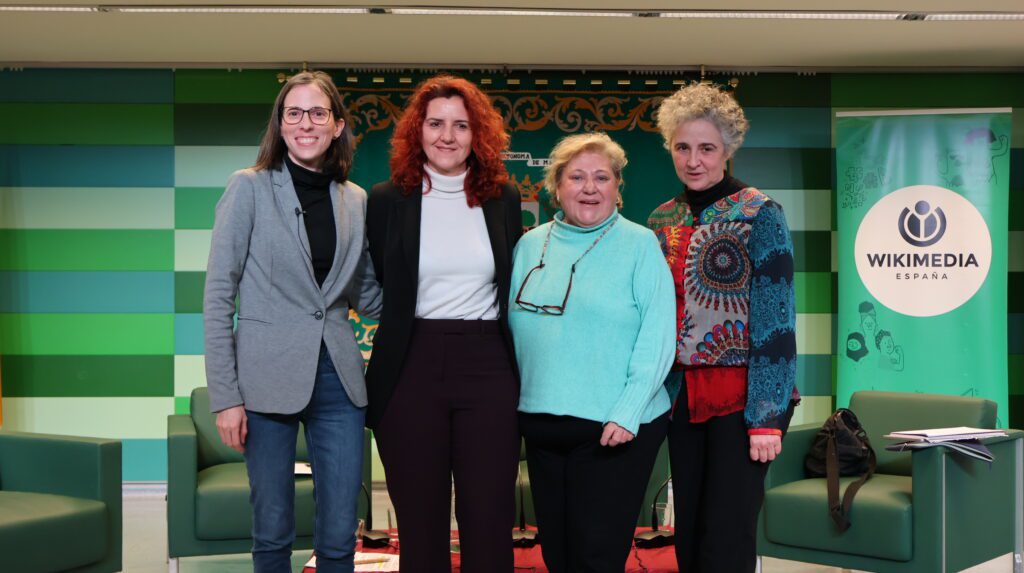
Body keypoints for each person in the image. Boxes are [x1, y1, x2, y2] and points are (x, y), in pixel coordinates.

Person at [203, 71, 381, 573]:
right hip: (263, 380)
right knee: (273, 529)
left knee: (341, 529)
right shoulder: (248, 188)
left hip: (339, 381)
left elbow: (364, 292)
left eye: (318, 113)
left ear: (337, 125)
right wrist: (227, 397)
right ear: (280, 125)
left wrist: (436, 293)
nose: (306, 123)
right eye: (294, 113)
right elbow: (218, 295)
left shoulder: (356, 199)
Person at [364, 75, 521, 573]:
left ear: (479, 134)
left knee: (489, 517)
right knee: (420, 522)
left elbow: (511, 280)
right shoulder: (387, 199)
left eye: (461, 125)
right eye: (435, 123)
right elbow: (382, 282)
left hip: (489, 364)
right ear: (418, 130)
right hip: (410, 365)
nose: (447, 136)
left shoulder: (504, 197)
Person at [647, 82, 799, 573]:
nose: (694, 160)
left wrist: (766, 418)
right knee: (689, 531)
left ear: (727, 150)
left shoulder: (760, 213)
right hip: (680, 400)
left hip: (743, 401)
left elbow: (777, 320)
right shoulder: (660, 219)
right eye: (683, 147)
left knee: (728, 535)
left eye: (706, 148)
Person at [510, 132, 676, 573]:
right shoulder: (529, 245)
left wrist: (628, 409)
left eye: (602, 177)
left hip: (613, 426)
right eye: (577, 177)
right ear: (556, 186)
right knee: (558, 554)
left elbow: (659, 334)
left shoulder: (639, 244)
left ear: (618, 188)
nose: (589, 187)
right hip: (542, 423)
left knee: (595, 555)